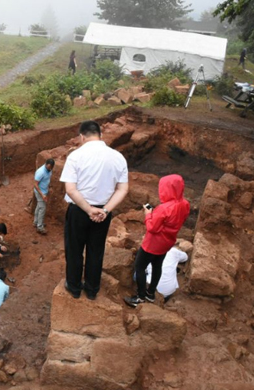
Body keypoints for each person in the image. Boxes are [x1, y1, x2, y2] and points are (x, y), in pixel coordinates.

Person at [60, 120, 129, 300]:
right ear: (101, 135)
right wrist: (104, 210)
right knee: (96, 251)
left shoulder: (75, 156)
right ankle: (92, 290)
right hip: (103, 213)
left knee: (74, 249)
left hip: (79, 210)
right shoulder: (117, 157)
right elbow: (122, 189)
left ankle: (74, 287)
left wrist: (88, 209)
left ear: (82, 136)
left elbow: (70, 189)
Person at [124, 175, 190, 307]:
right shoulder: (184, 204)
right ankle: (151, 294)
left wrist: (148, 214)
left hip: (152, 244)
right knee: (157, 266)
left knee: (140, 267)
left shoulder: (164, 208)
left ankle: (140, 297)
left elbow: (152, 228)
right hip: (167, 242)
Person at [33, 159, 55, 235]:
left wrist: (50, 187)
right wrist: (42, 194)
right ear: (46, 164)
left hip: (44, 191)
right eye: (48, 167)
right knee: (42, 208)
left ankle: (36, 222)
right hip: (40, 192)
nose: (49, 169)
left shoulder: (49, 170)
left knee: (39, 207)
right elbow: (35, 184)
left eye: (50, 167)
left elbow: (47, 179)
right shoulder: (40, 172)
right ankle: (40, 227)